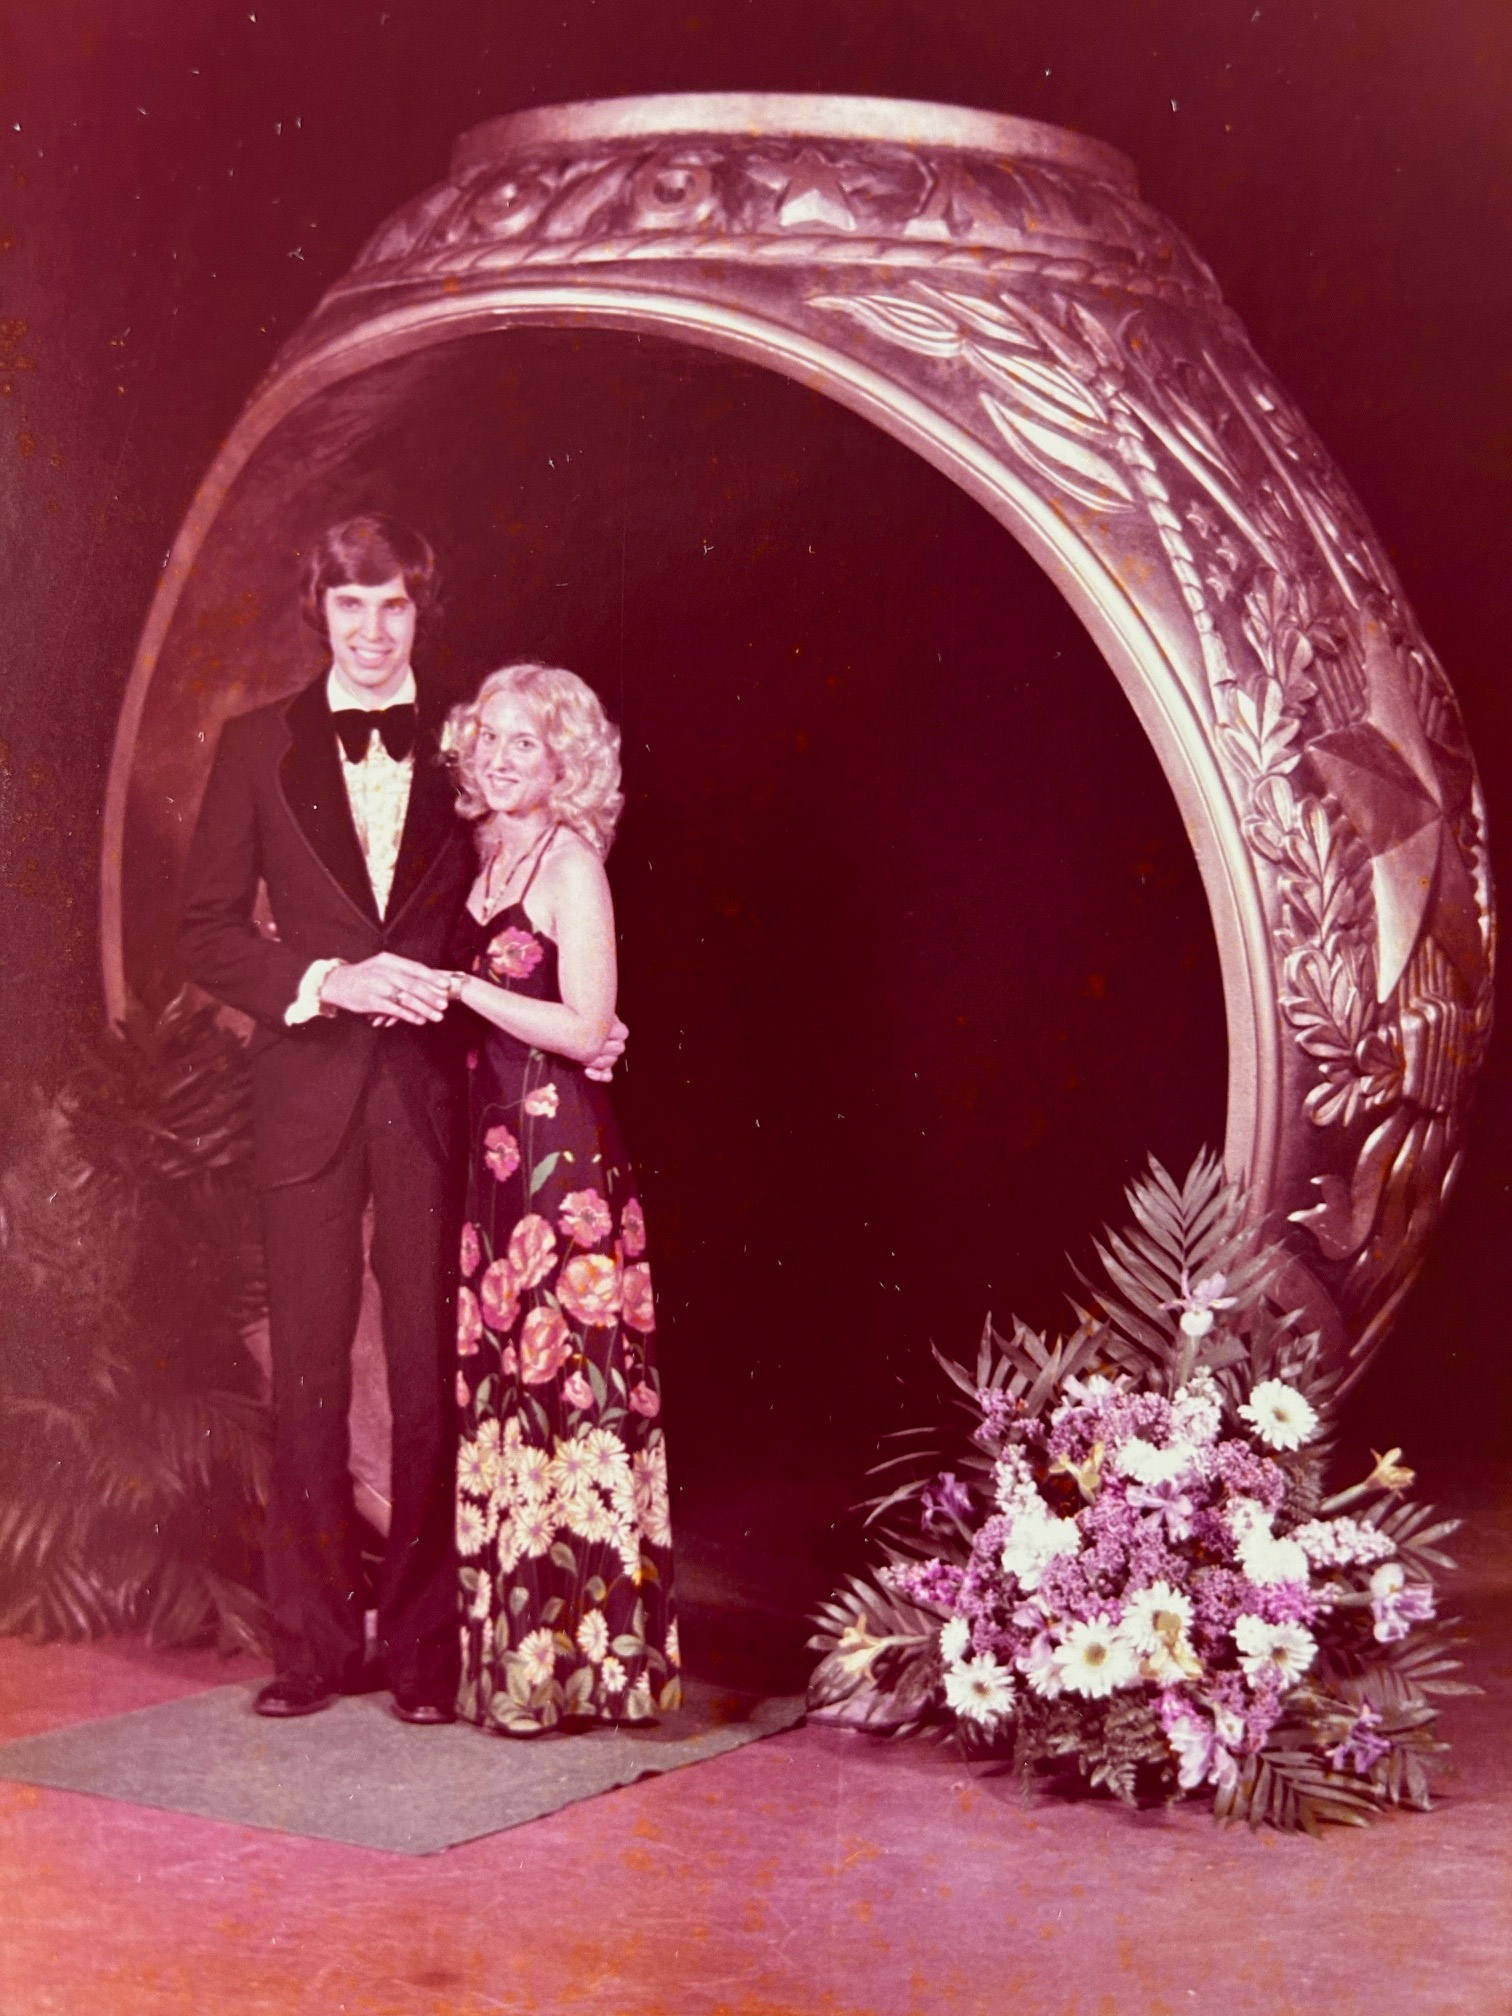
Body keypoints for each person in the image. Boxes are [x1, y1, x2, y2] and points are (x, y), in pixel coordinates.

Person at [178, 516, 624, 1724]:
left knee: (433, 1387)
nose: (370, 635)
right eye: (348, 610)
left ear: (420, 612)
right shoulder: (254, 745)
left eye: (392, 610)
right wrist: (325, 981)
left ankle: (428, 1656)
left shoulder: (474, 748)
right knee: (310, 1382)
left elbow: (537, 880)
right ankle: (313, 1650)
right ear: (317, 612)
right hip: (306, 1096)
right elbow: (206, 928)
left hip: (444, 1103)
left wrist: (583, 1012)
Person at [442, 663, 679, 1734]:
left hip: (563, 1174)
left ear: (566, 761)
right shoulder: (491, 855)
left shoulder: (573, 862)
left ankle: (594, 1670)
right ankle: (522, 1667)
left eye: (524, 743)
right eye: (487, 736)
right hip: (496, 1170)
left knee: (568, 1400)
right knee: (510, 1400)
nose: (498, 755)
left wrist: (462, 988)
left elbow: (590, 1025)